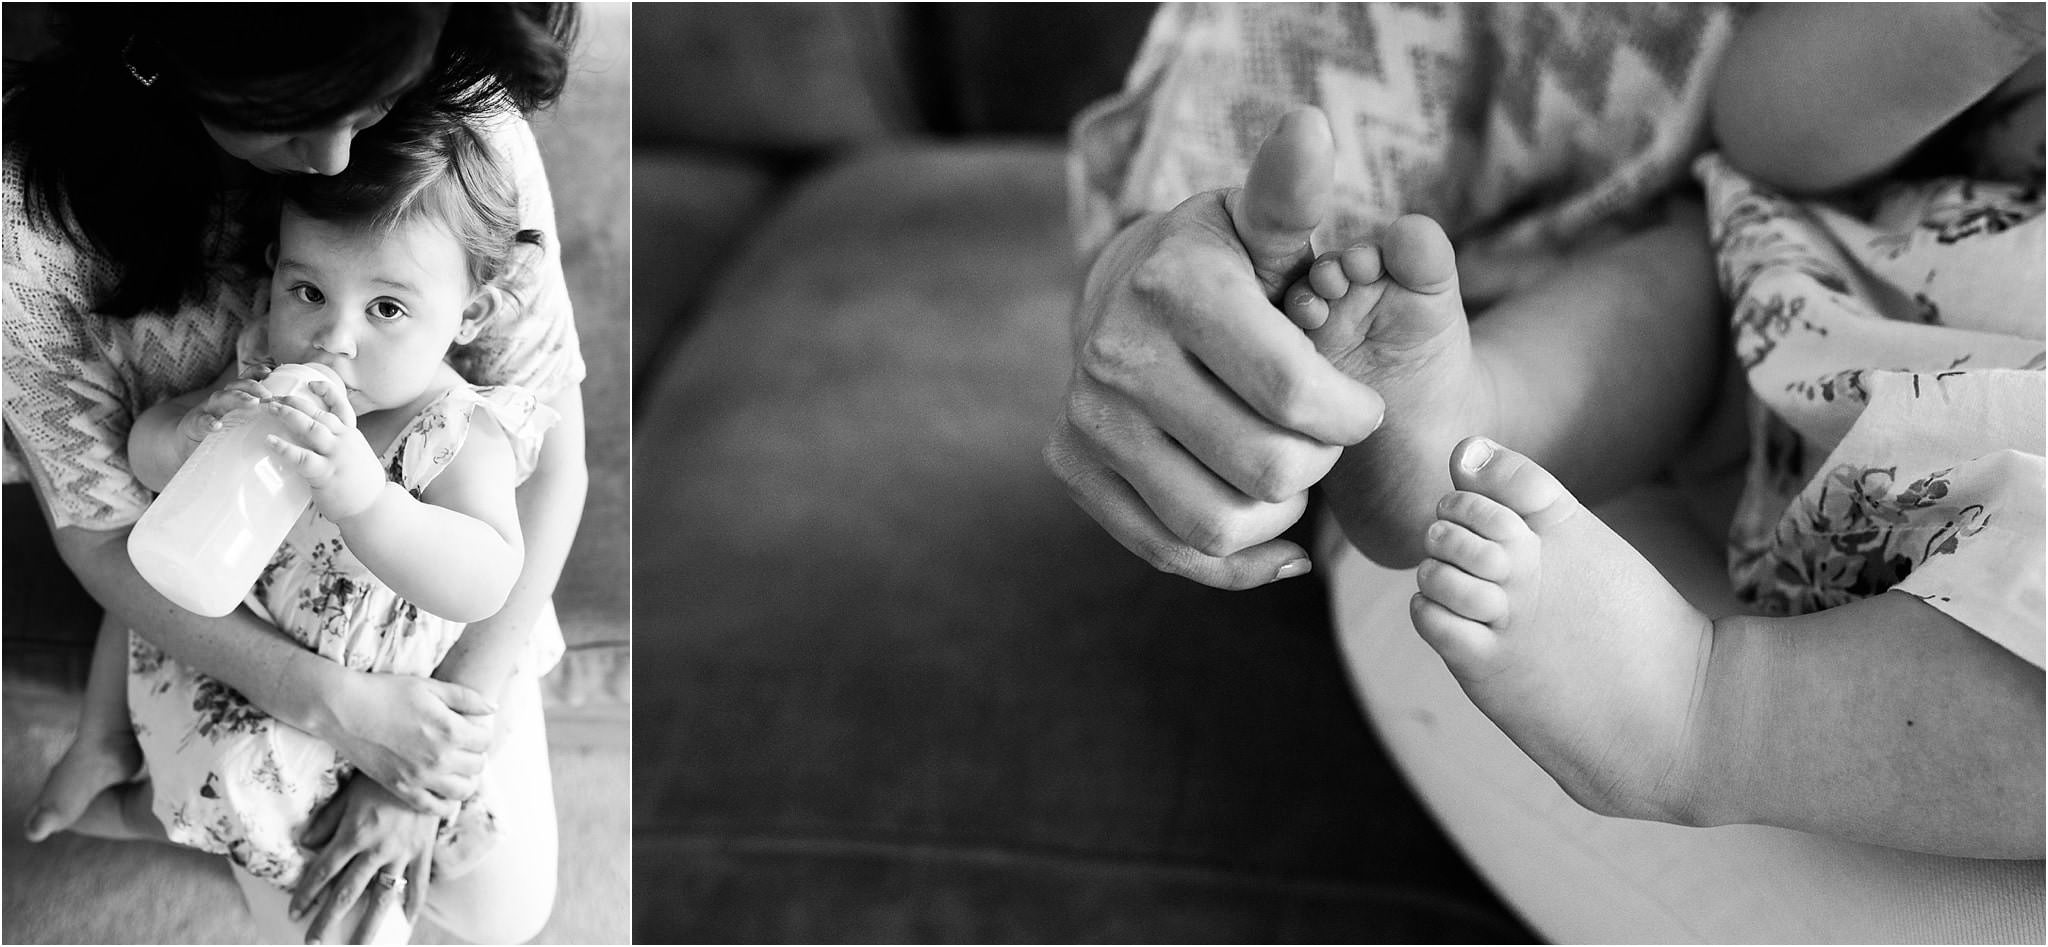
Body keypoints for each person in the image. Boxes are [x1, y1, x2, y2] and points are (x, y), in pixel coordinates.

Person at [1048, 2, 2043, 940]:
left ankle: (1703, 703)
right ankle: (1467, 435)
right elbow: (1769, 128)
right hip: (1855, 286)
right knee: (1707, 269)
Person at [3, 5, 586, 943]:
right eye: (308, 293)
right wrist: (189, 427)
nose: (334, 163)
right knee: (284, 847)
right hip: (236, 615)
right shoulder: (252, 366)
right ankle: (123, 772)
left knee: (501, 909)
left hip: (409, 648)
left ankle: (152, 799)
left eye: (387, 307)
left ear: (469, 314)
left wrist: (414, 760)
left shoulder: (456, 427)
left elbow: (490, 569)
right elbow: (117, 501)